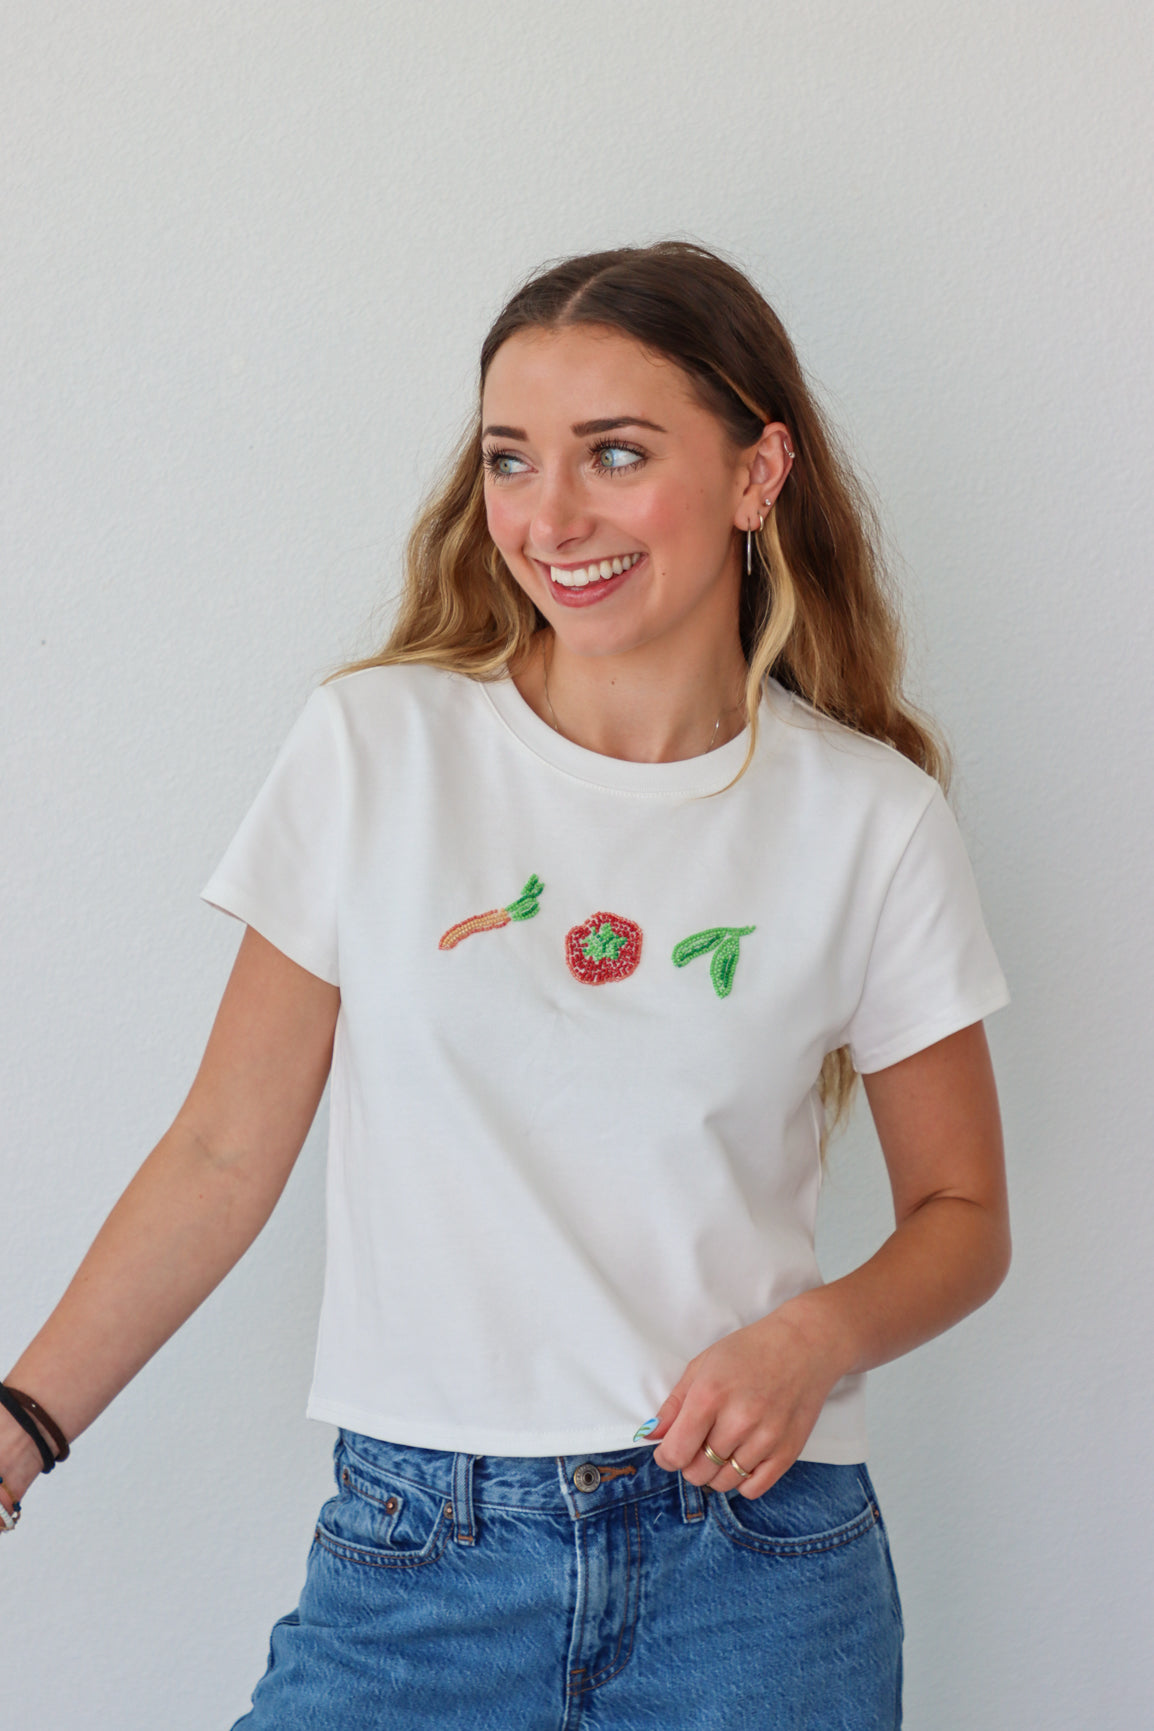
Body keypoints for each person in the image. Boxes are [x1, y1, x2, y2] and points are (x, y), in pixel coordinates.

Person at [0, 241, 1011, 1728]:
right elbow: (222, 1149)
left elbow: (962, 1219)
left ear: (755, 472)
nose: (552, 517)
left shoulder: (869, 819)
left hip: (758, 1562)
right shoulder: (375, 752)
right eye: (511, 460)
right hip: (420, 1556)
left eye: (616, 453)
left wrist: (815, 1337)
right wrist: (22, 1424)